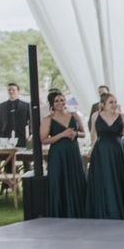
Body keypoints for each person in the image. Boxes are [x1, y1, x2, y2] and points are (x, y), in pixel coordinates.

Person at [41, 90, 87, 218]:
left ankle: (78, 212)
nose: (60, 103)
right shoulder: (48, 119)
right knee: (59, 181)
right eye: (57, 101)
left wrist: (76, 134)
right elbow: (43, 140)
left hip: (73, 153)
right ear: (52, 104)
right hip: (58, 154)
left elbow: (83, 133)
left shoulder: (74, 115)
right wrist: (62, 134)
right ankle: (59, 213)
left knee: (75, 180)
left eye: (62, 100)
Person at [84, 93, 124, 220]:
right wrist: (91, 150)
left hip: (116, 152)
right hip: (101, 151)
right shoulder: (95, 116)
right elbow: (93, 134)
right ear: (103, 104)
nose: (114, 104)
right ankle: (101, 210)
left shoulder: (123, 117)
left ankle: (116, 209)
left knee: (116, 178)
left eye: (115, 102)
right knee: (102, 179)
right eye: (111, 102)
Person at [0, 82, 29, 147]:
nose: (11, 91)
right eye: (9, 90)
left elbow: (30, 122)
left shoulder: (26, 106)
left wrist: (30, 135)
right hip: (5, 137)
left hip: (21, 136)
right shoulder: (2, 106)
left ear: (18, 91)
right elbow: (0, 123)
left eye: (13, 90)